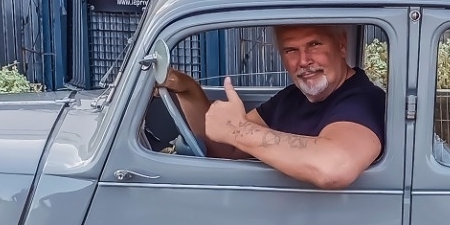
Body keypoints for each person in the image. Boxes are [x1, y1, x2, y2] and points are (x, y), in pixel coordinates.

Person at [157, 24, 385, 189]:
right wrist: (187, 89)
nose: (303, 60)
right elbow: (228, 150)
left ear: (341, 46)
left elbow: (333, 168)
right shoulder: (293, 97)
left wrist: (239, 131)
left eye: (314, 45)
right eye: (291, 50)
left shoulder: (364, 100)